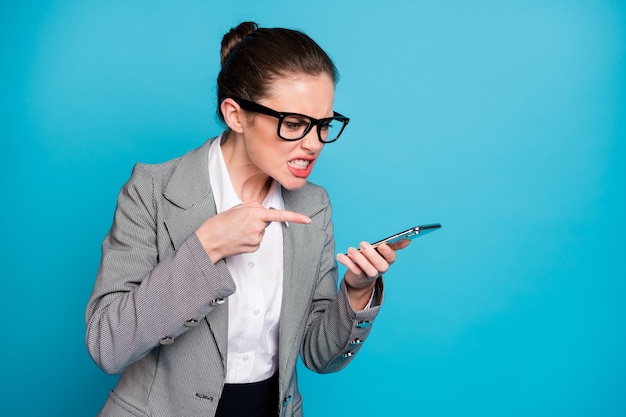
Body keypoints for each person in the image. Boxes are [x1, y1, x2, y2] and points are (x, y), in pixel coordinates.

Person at [85, 21, 408, 417]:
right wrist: (205, 250)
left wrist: (356, 291)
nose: (313, 144)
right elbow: (107, 344)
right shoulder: (151, 191)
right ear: (235, 115)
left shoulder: (314, 205)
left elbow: (318, 355)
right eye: (293, 124)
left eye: (323, 125)